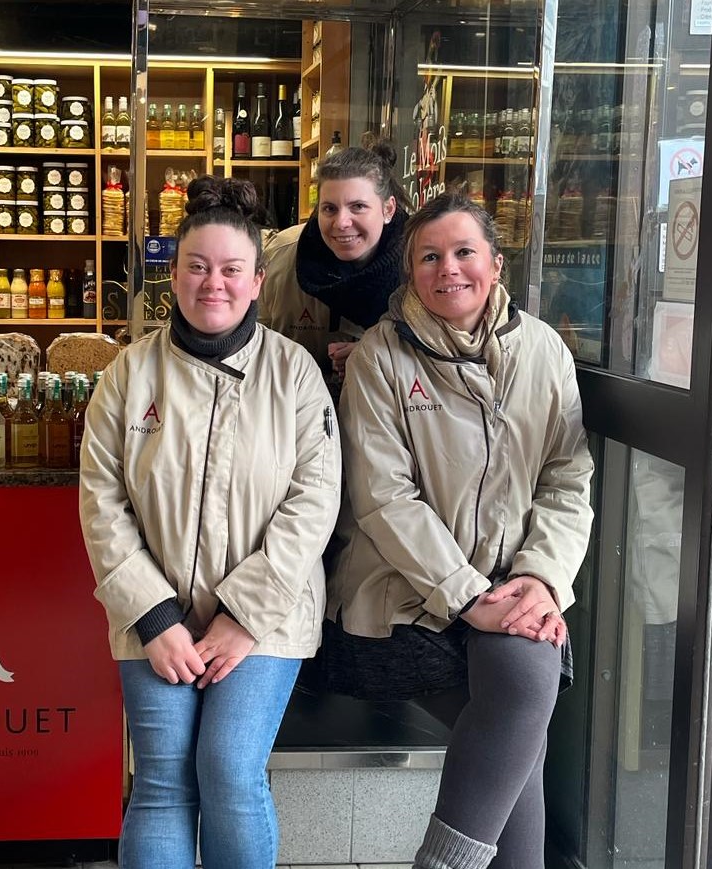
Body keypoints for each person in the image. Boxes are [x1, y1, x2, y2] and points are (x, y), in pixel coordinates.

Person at [79, 175, 342, 869]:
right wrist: (153, 616)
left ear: (258, 280)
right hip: (153, 618)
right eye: (197, 267)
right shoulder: (127, 376)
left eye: (231, 270)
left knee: (227, 768)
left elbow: (314, 502)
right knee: (163, 779)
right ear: (174, 276)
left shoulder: (295, 374)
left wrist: (243, 615)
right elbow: (101, 501)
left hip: (268, 616)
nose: (213, 283)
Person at [325, 190, 594, 869]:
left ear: (496, 265)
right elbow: (384, 498)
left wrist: (538, 578)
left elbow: (568, 478)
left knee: (521, 692)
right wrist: (472, 595)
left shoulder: (544, 351)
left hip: (513, 589)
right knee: (522, 706)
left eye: (464, 252)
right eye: (429, 257)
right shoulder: (381, 357)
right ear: (409, 272)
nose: (449, 269)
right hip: (405, 596)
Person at [259, 140, 412, 392]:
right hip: (297, 417)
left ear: (388, 209)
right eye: (329, 209)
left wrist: (374, 357)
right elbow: (253, 351)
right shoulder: (280, 257)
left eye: (358, 207)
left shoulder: (422, 264)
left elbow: (446, 359)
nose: (341, 222)